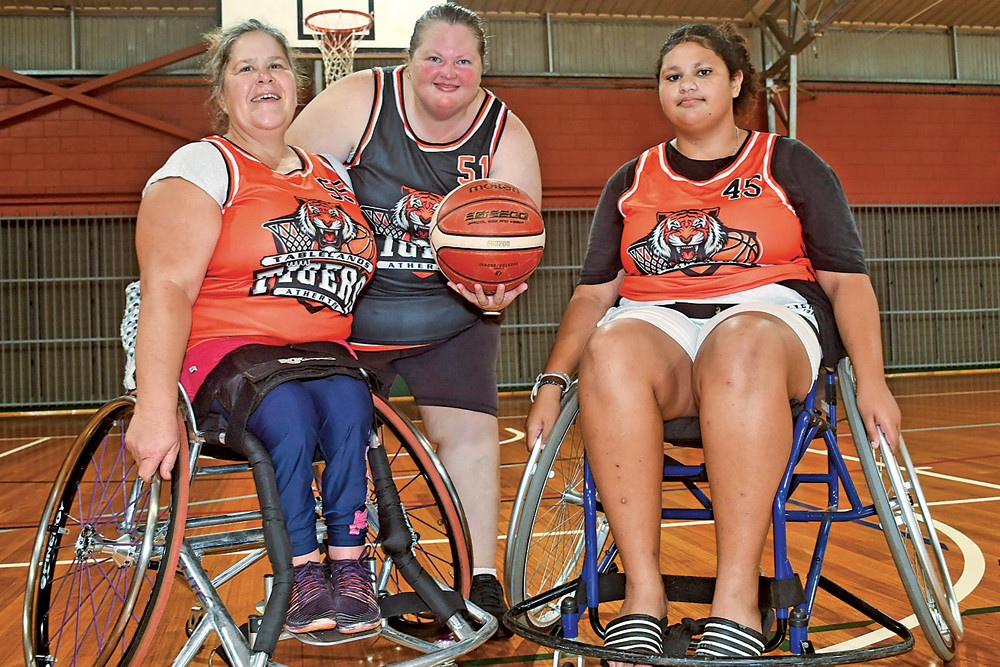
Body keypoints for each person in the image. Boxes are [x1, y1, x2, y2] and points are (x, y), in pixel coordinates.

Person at [524, 23, 901, 662]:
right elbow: (593, 296)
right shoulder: (633, 179)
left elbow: (847, 282)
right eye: (672, 76)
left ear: (734, 84)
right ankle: (643, 596)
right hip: (661, 323)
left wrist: (873, 380)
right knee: (610, 350)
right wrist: (554, 383)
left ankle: (736, 601)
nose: (686, 85)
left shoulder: (789, 163)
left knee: (740, 342)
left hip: (770, 319)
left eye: (702, 72)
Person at [287, 2, 542, 634]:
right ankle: (331, 573)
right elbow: (284, 185)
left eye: (463, 60)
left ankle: (482, 582)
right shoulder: (358, 101)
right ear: (408, 60)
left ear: (483, 67)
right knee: (334, 449)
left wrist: (500, 286)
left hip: (450, 314)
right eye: (433, 57)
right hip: (347, 315)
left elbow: (520, 243)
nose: (447, 71)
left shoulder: (504, 132)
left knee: (472, 446)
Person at [124, 19, 382, 636]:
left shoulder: (330, 176)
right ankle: (300, 575)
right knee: (287, 411)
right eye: (246, 68)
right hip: (224, 352)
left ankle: (350, 567)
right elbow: (166, 285)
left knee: (353, 401)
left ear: (297, 85)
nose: (265, 77)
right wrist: (154, 405)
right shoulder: (204, 164)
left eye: (276, 66)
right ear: (223, 94)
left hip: (321, 355)